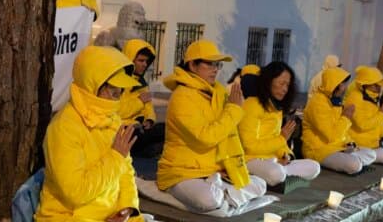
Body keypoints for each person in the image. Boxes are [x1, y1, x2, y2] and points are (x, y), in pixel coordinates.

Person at [34, 46, 178, 222]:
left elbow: (126, 174)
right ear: (93, 85)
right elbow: (75, 194)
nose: (118, 98)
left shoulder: (113, 121)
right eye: (113, 91)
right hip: (68, 221)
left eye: (121, 92)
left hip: (110, 220)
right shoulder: (64, 127)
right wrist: (114, 156)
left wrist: (127, 209)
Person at [157, 40, 268, 212]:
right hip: (182, 172)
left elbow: (227, 134)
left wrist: (227, 167)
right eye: (210, 64)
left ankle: (223, 193)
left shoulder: (217, 92)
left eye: (218, 64)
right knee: (209, 200)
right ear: (192, 65)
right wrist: (233, 110)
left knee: (260, 184)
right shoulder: (182, 97)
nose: (215, 69)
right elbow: (206, 138)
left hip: (212, 170)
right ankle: (221, 195)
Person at [238, 61, 322, 187]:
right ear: (268, 81)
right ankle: (275, 175)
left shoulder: (276, 107)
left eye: (287, 85)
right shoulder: (252, 105)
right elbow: (248, 146)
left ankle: (276, 174)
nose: (285, 89)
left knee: (314, 167)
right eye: (281, 83)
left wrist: (286, 155)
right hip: (250, 159)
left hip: (273, 160)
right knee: (276, 173)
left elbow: (280, 141)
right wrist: (282, 139)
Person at [301, 66, 378, 174]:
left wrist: (349, 142)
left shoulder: (335, 100)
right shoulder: (317, 103)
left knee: (372, 154)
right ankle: (354, 161)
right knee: (354, 165)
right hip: (319, 150)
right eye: (344, 84)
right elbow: (332, 135)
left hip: (337, 147)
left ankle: (353, 159)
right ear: (335, 84)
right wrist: (346, 117)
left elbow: (342, 132)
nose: (346, 87)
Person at [344, 66, 383, 163]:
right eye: (376, 85)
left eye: (380, 85)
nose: (380, 88)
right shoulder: (355, 98)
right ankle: (356, 156)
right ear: (365, 85)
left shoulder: (373, 97)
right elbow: (362, 125)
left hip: (374, 143)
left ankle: (366, 156)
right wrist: (382, 114)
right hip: (360, 143)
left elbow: (378, 123)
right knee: (381, 155)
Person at [120, 39, 165, 157]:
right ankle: (143, 151)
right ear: (130, 60)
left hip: (139, 127)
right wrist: (139, 101)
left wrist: (149, 120)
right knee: (159, 134)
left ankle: (144, 151)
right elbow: (119, 111)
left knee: (165, 128)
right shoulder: (119, 82)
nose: (145, 64)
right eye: (141, 60)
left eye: (146, 61)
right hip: (124, 129)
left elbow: (148, 107)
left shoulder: (141, 82)